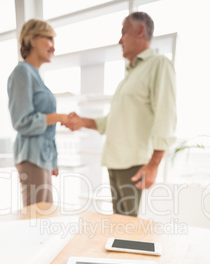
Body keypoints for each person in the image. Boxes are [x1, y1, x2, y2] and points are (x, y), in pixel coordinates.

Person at [66, 12, 177, 216]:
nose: (120, 40)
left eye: (124, 33)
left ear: (140, 31)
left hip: (134, 167)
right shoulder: (129, 77)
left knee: (132, 232)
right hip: (115, 164)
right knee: (120, 227)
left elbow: (166, 115)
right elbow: (111, 122)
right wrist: (83, 121)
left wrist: (154, 164)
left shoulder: (159, 65)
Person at [7, 19, 68, 207]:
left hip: (41, 159)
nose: (53, 47)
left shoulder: (35, 76)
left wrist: (53, 160)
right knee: (37, 220)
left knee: (43, 217)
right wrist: (58, 117)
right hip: (31, 157)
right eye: (49, 38)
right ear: (32, 39)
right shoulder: (22, 72)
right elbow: (22, 122)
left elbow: (45, 130)